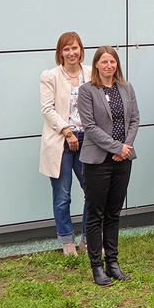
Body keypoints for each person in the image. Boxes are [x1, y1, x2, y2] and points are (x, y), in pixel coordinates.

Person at [78, 46, 140, 286]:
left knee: (113, 214)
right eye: (104, 62)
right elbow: (90, 127)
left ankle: (113, 263)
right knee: (96, 215)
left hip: (123, 160)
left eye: (112, 62)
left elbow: (134, 119)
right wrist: (116, 147)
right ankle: (97, 267)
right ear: (96, 65)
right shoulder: (87, 91)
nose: (108, 66)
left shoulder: (126, 88)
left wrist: (125, 146)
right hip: (97, 161)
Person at [39, 32, 91, 257]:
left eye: (75, 48)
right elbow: (47, 108)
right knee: (63, 195)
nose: (71, 53)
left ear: (81, 50)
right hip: (61, 140)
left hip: (88, 141)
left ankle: (88, 239)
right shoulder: (50, 76)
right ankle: (67, 242)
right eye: (66, 49)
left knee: (93, 191)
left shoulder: (91, 72)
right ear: (60, 53)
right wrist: (67, 132)